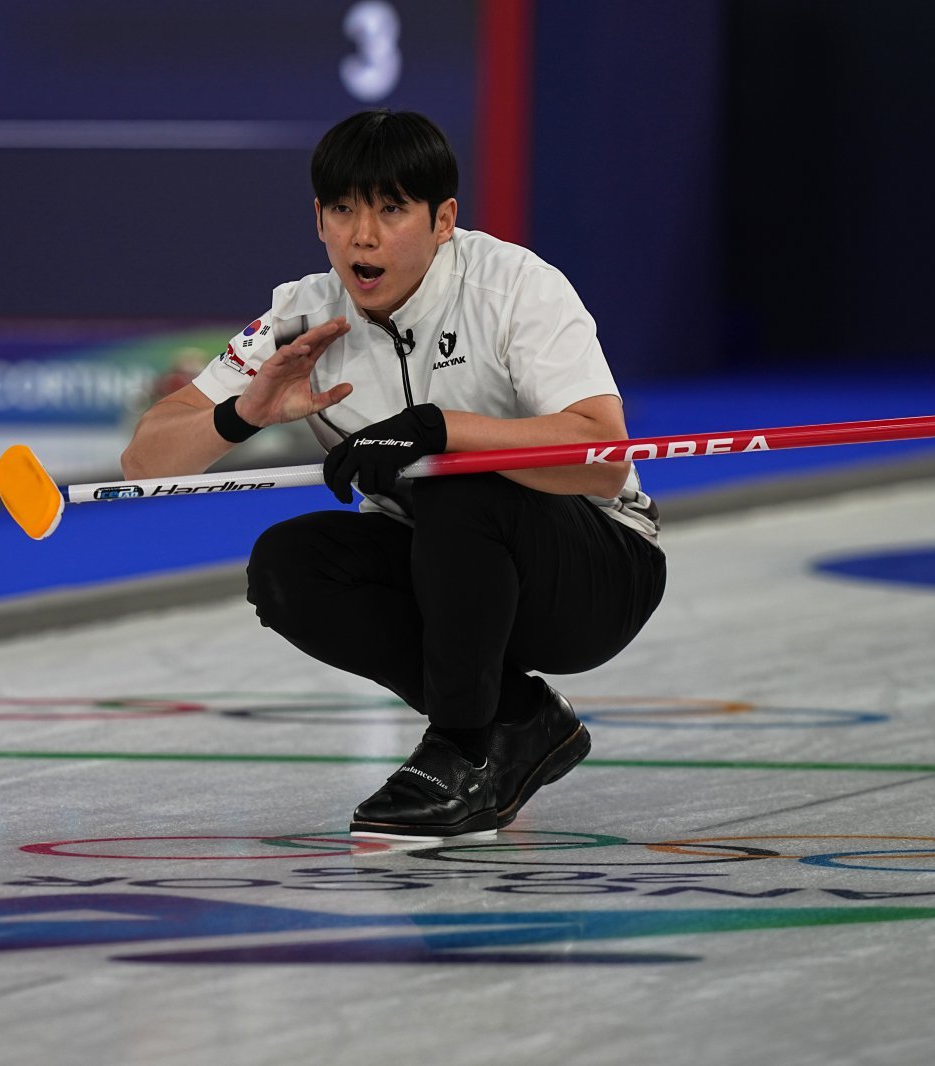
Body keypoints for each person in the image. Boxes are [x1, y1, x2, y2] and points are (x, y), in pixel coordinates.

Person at [121, 109, 665, 839]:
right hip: (441, 567)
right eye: (343, 210)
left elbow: (603, 459)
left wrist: (440, 429)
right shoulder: (300, 318)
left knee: (451, 476)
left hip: (591, 574)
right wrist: (243, 413)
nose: (363, 236)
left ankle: (462, 750)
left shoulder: (514, 287)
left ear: (443, 220)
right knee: (288, 566)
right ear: (318, 218)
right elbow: (144, 462)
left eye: (391, 209)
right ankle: (518, 722)